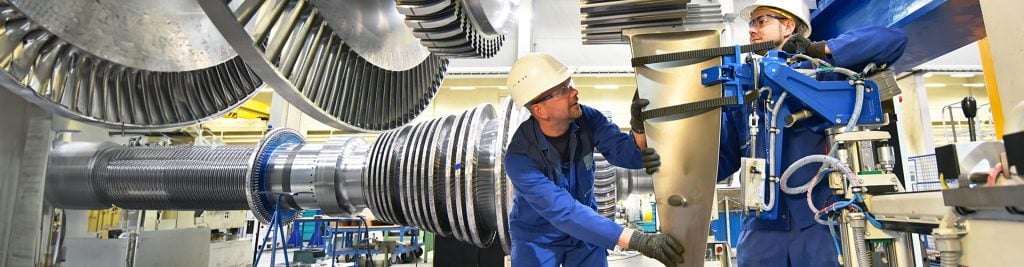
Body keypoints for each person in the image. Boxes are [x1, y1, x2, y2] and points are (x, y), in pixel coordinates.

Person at [716, 1, 908, 266]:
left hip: (819, 223)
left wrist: (823, 49)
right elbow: (720, 164)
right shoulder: (747, 93)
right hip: (760, 228)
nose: (752, 30)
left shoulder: (825, 76)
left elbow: (894, 40)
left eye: (761, 21)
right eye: (750, 24)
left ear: (789, 25)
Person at [503, 53, 684, 267]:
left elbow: (625, 153)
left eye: (570, 84)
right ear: (539, 110)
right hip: (538, 238)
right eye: (563, 90)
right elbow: (562, 210)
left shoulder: (588, 119)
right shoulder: (519, 158)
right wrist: (638, 240)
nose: (574, 92)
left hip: (585, 231)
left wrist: (639, 126)